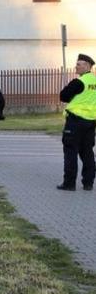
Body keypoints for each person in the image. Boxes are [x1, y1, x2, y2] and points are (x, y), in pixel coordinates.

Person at [57, 53, 96, 191]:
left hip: (75, 121)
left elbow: (63, 96)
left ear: (87, 66)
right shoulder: (94, 81)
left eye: (79, 64)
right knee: (87, 152)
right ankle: (88, 183)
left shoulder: (79, 82)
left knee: (70, 151)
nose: (76, 67)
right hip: (91, 122)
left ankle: (69, 183)